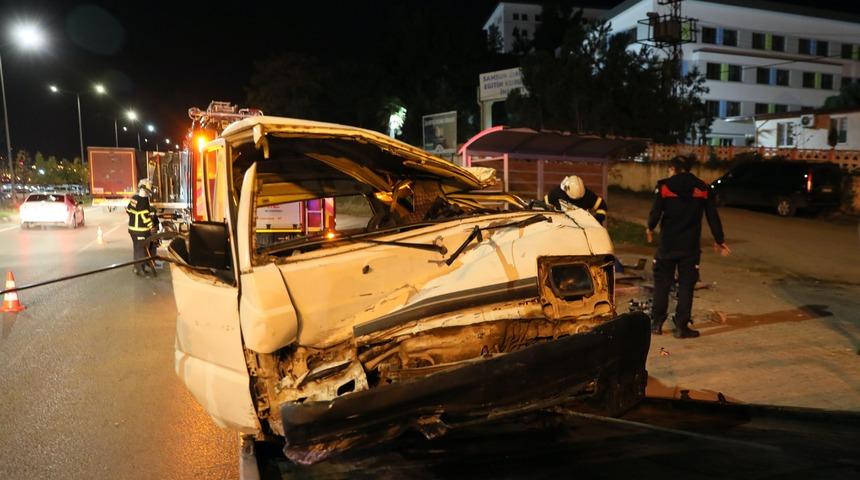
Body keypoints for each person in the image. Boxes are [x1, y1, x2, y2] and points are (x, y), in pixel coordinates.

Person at [647, 156, 731, 338]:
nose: (668, 173)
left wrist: (650, 227)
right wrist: (719, 239)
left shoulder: (664, 186)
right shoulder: (702, 188)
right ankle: (681, 327)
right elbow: (712, 216)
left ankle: (656, 323)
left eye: (669, 170)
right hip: (690, 248)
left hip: (667, 245)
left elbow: (655, 212)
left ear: (674, 169)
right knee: (686, 286)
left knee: (662, 284)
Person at [126, 178, 159, 277]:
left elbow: (128, 210)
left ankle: (138, 268)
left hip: (133, 230)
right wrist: (151, 227)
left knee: (137, 249)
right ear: (142, 189)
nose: (147, 194)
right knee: (141, 250)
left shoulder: (134, 198)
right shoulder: (143, 201)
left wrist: (134, 218)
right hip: (140, 231)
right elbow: (145, 217)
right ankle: (140, 269)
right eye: (146, 192)